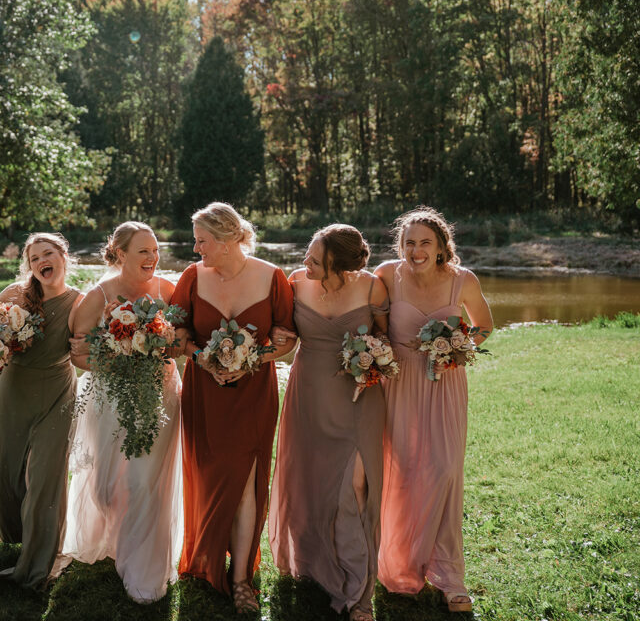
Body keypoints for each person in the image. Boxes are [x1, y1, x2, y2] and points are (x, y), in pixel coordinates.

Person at [168, 202, 296, 613]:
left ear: (225, 240)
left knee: (244, 481)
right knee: (208, 475)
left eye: (201, 240)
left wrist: (252, 360)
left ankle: (240, 578)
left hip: (253, 396)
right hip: (205, 395)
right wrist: (202, 357)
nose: (195, 247)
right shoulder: (192, 277)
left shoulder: (272, 278)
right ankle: (206, 553)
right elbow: (176, 334)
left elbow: (288, 338)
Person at [374, 206, 493, 614]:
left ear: (442, 246)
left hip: (445, 385)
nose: (416, 250)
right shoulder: (388, 275)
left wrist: (460, 347)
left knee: (444, 471)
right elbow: (371, 320)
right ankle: (401, 564)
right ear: (400, 245)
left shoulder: (463, 280)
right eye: (409, 242)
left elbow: (484, 326)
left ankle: (449, 575)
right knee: (404, 471)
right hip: (401, 384)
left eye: (425, 242)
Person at [268, 225, 389, 621]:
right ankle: (316, 564)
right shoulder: (294, 284)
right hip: (309, 397)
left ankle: (360, 590)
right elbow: (282, 337)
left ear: (337, 262)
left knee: (356, 485)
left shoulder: (373, 287)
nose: (306, 262)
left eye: (316, 259)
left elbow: (387, 340)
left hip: (358, 398)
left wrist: (373, 354)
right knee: (310, 479)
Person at [60, 221, 183, 603]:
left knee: (145, 482)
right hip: (110, 398)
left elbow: (180, 341)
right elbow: (78, 352)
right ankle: (111, 537)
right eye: (143, 250)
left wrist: (160, 347)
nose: (152, 257)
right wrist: (118, 360)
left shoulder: (168, 290)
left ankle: (143, 568)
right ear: (120, 253)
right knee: (106, 487)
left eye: (155, 250)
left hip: (159, 396)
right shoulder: (98, 295)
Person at [0, 233, 83, 590]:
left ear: (63, 256)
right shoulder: (13, 294)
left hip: (57, 393)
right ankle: (24, 535)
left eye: (49, 253)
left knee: (45, 479)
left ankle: (37, 566)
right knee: (6, 473)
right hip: (13, 391)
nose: (43, 261)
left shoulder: (79, 302)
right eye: (35, 256)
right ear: (30, 265)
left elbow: (83, 355)